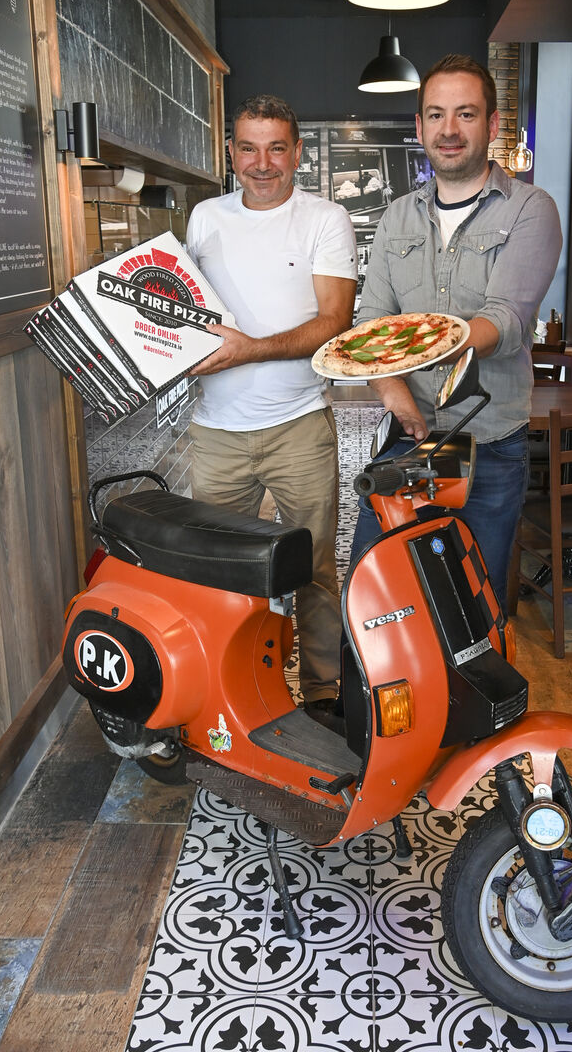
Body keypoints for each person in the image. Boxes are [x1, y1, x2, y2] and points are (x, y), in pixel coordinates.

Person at [350, 54, 562, 614]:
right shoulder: (396, 216)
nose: (449, 130)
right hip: (407, 437)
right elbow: (370, 321)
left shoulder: (530, 210)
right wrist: (394, 393)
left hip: (489, 444)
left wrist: (424, 338)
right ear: (419, 128)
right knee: (377, 592)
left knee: (473, 604)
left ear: (492, 126)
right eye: (436, 115)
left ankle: (466, 701)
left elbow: (508, 322)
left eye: (465, 114)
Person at [186, 94, 357, 731]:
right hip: (216, 435)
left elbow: (335, 323)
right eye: (249, 148)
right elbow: (182, 314)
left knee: (312, 569)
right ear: (231, 153)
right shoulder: (205, 218)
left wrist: (246, 352)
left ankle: (322, 693)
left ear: (298, 154)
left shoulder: (325, 219)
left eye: (276, 148)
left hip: (298, 428)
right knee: (219, 575)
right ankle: (223, 687)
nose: (262, 163)